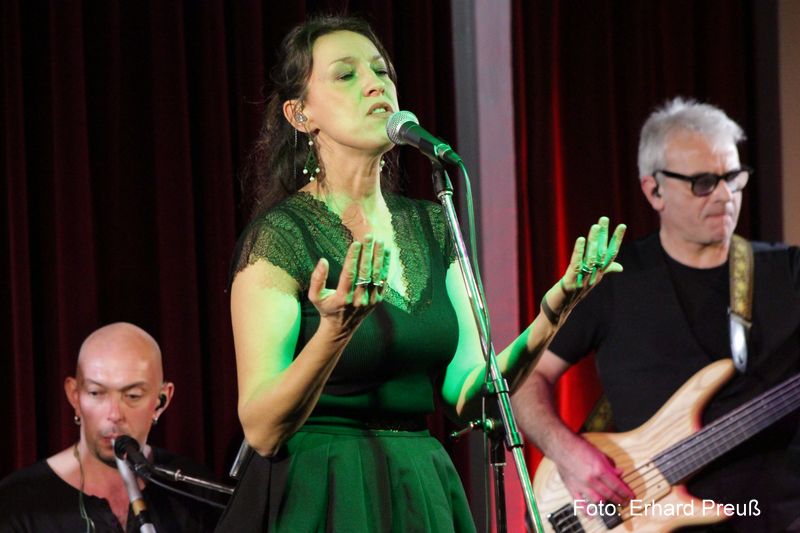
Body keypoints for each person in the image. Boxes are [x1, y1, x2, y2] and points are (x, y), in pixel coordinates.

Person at [215, 14, 625, 533]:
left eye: (381, 70)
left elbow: (469, 397)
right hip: (325, 489)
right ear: (301, 115)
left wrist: (553, 312)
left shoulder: (434, 224)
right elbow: (262, 428)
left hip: (420, 486)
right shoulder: (281, 235)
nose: (375, 84)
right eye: (345, 74)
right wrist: (334, 334)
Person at [513, 98, 800, 532]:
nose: (725, 195)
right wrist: (568, 454)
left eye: (733, 177)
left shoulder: (788, 273)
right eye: (704, 182)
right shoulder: (614, 281)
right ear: (654, 190)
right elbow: (522, 381)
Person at [0, 322, 222, 532]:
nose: (114, 415)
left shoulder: (196, 492)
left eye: (133, 395)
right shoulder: (17, 502)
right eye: (96, 393)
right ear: (75, 396)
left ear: (161, 401)